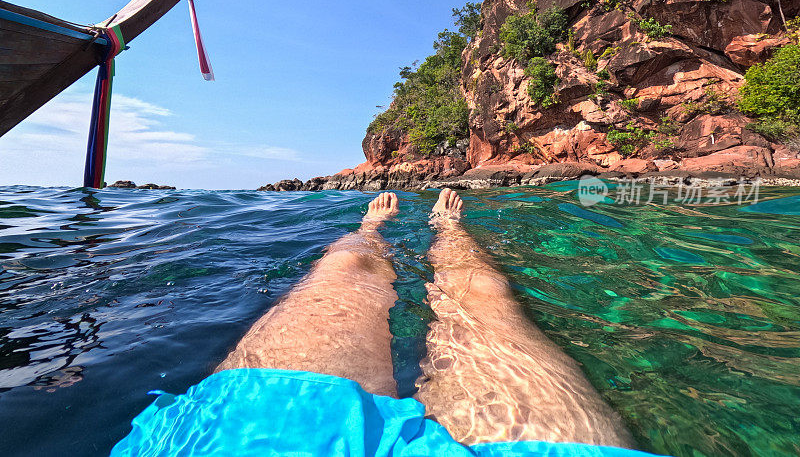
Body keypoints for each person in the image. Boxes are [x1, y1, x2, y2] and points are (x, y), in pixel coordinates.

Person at [112, 190, 656, 457]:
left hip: (256, 438)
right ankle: (446, 231)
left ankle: (372, 229)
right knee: (480, 298)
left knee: (346, 265)